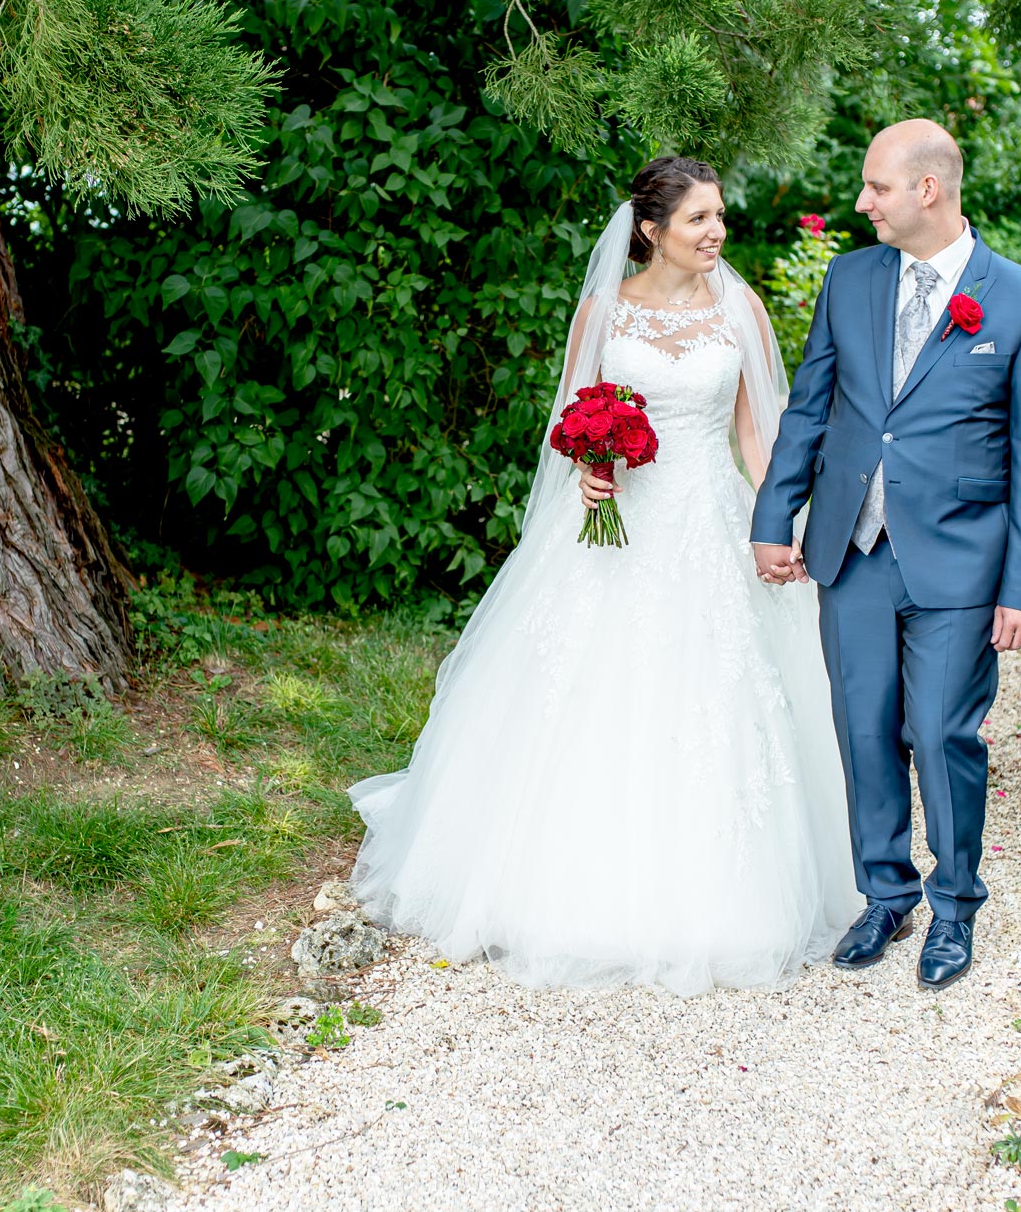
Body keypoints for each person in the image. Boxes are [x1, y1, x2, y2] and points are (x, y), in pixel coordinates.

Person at [347, 156, 861, 996]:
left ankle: (727, 897)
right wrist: (590, 466)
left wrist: (780, 527)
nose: (716, 232)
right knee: (586, 685)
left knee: (718, 690)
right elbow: (573, 419)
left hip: (709, 522)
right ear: (650, 230)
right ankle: (559, 884)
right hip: (610, 532)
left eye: (720, 216)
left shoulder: (744, 310)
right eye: (698, 219)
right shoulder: (604, 310)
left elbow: (759, 437)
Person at [751, 119, 1021, 991]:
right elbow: (811, 408)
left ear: (927, 189)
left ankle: (956, 905)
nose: (863, 203)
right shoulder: (849, 279)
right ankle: (886, 896)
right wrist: (775, 517)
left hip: (962, 562)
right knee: (863, 732)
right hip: (851, 549)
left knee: (939, 732)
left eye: (876, 188)